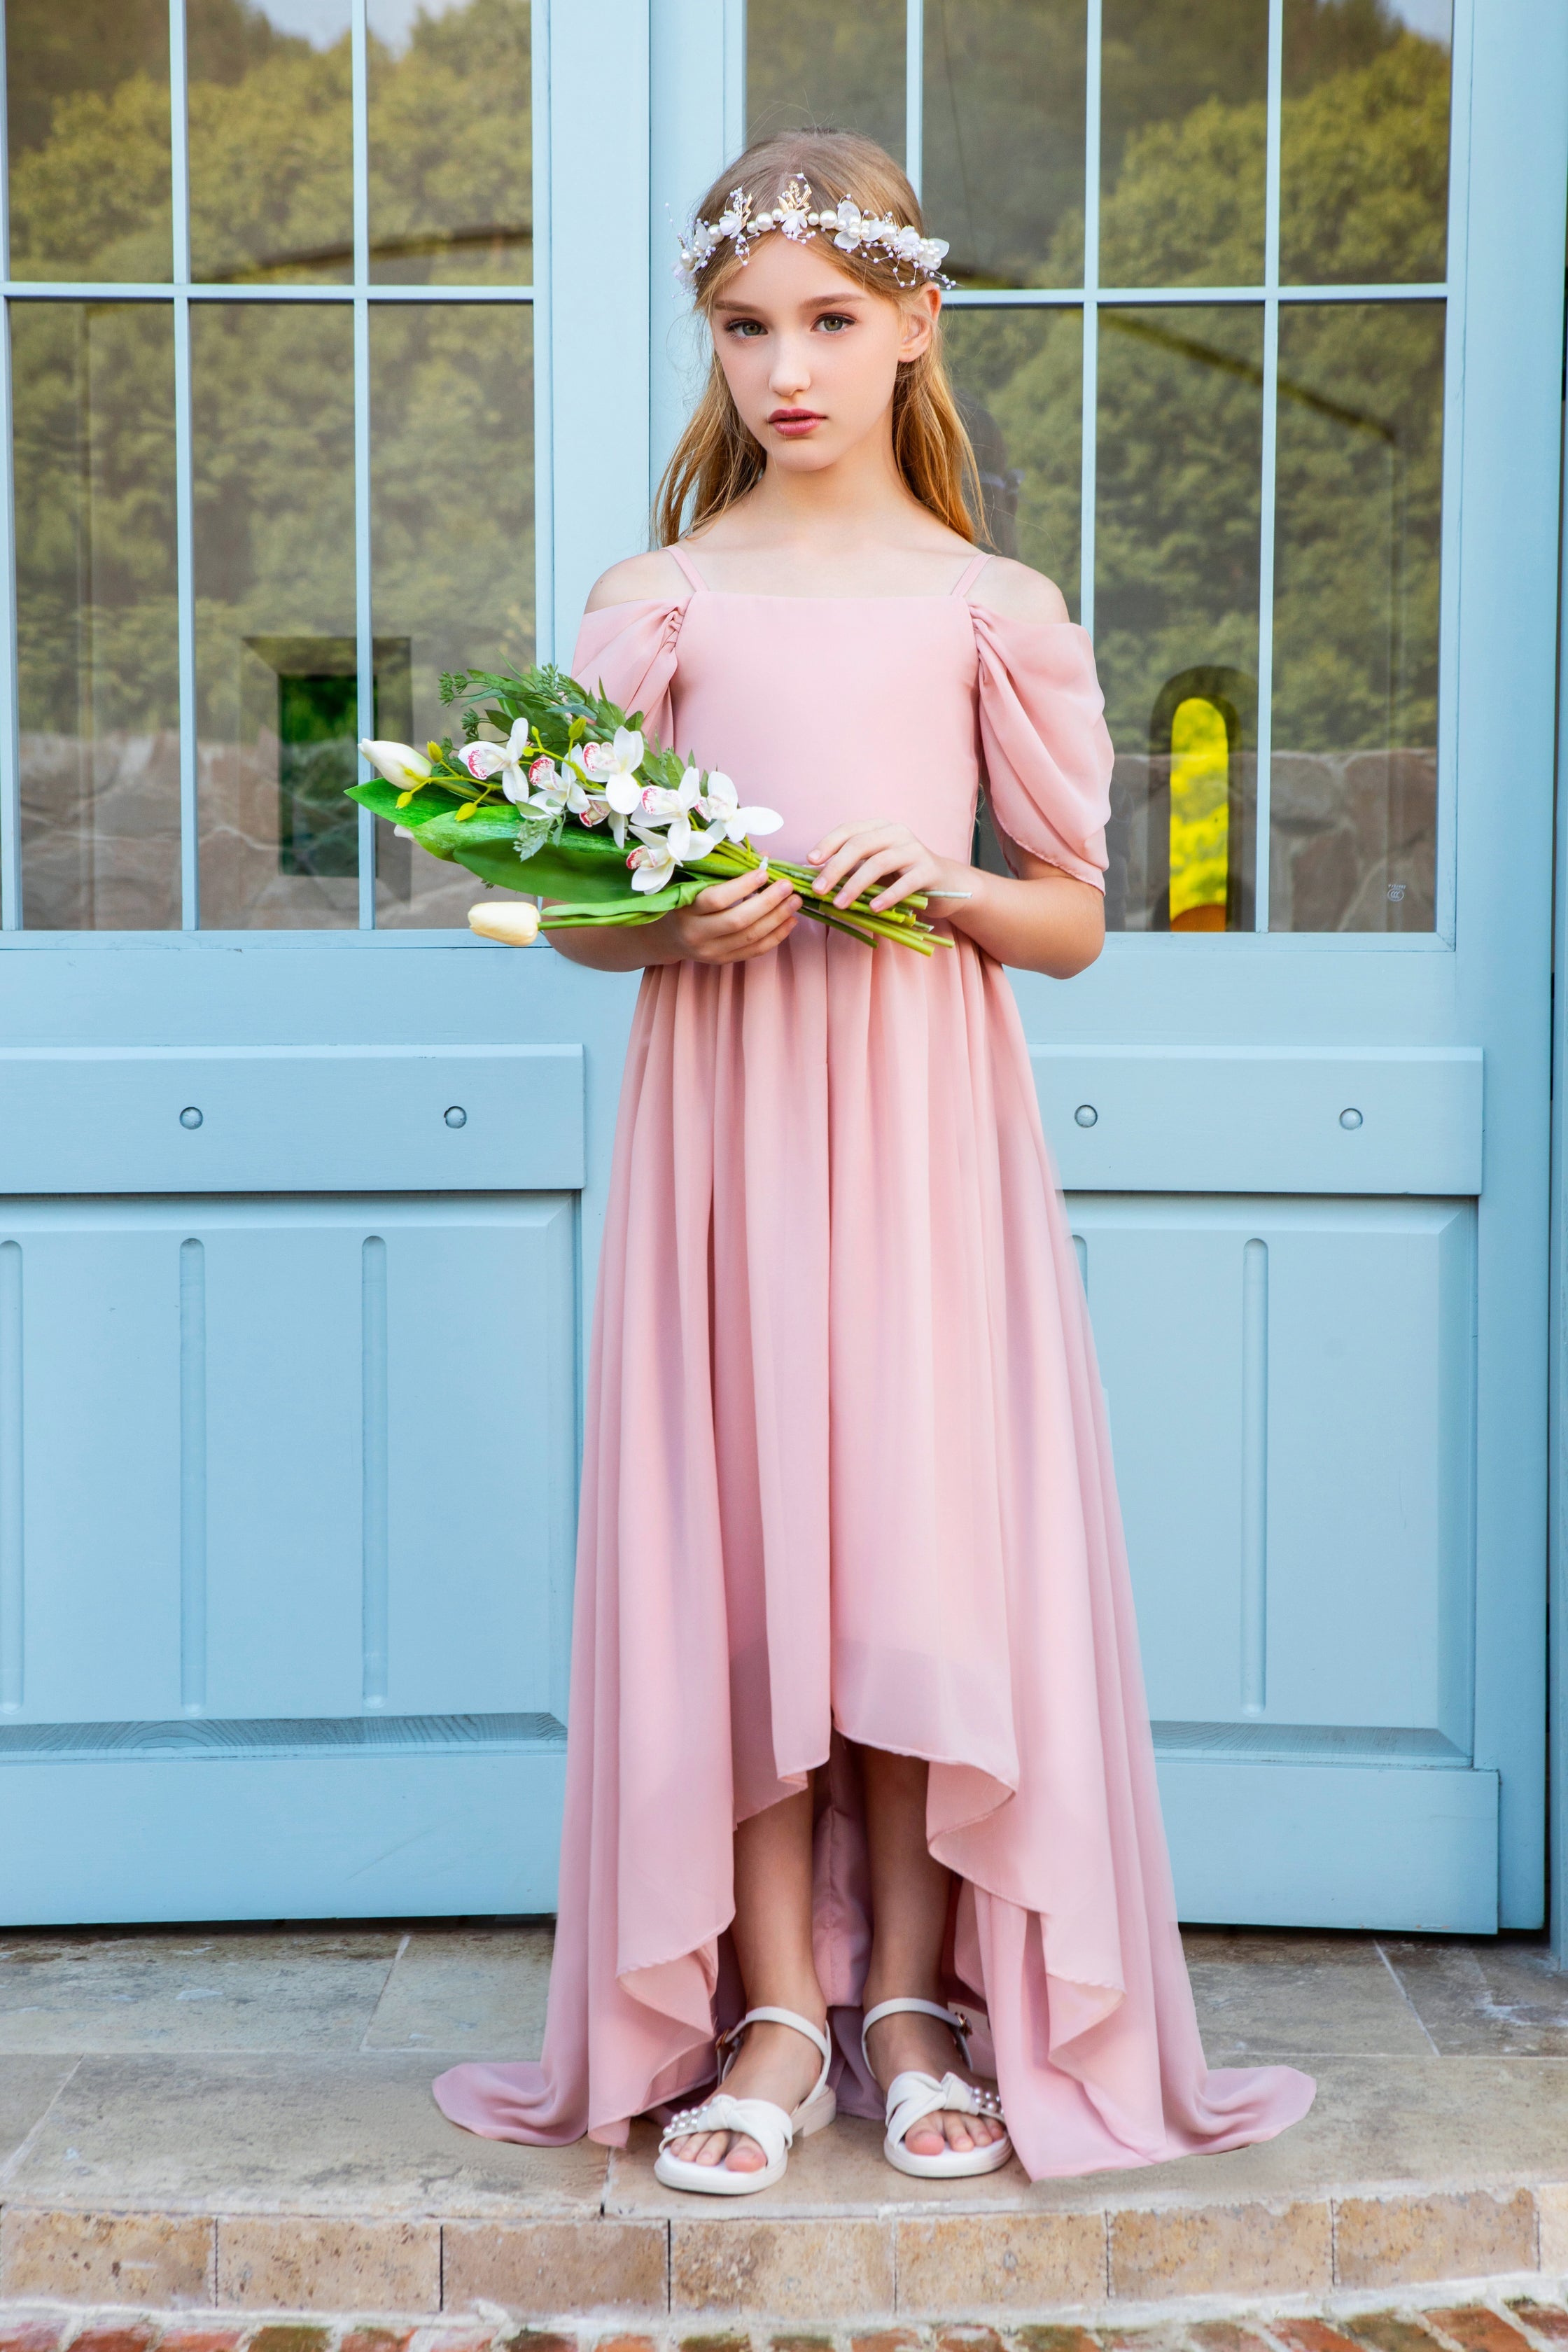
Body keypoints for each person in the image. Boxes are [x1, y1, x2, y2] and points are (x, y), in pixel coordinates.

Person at [432, 127, 1315, 2190]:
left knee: (914, 1556)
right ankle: (765, 2014)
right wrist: (677, 929)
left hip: (926, 1122)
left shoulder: (990, 605)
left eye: (830, 321)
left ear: (917, 325)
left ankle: (912, 2004)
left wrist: (956, 884)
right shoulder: (658, 602)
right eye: (745, 329)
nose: (786, 370)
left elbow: (1074, 916)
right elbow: (576, 910)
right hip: (726, 1115)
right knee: (746, 1563)